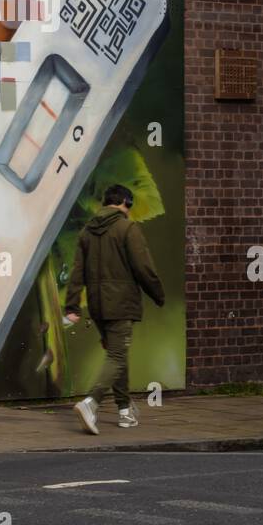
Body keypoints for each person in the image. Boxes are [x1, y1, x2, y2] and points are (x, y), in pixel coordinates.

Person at [64, 184, 165, 434]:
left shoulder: (88, 231)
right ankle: (91, 403)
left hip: (98, 305)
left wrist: (73, 305)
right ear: (124, 203)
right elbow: (143, 267)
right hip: (120, 303)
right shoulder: (127, 228)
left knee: (117, 355)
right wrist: (158, 295)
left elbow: (77, 272)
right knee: (117, 356)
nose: (129, 211)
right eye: (129, 206)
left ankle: (124, 411)